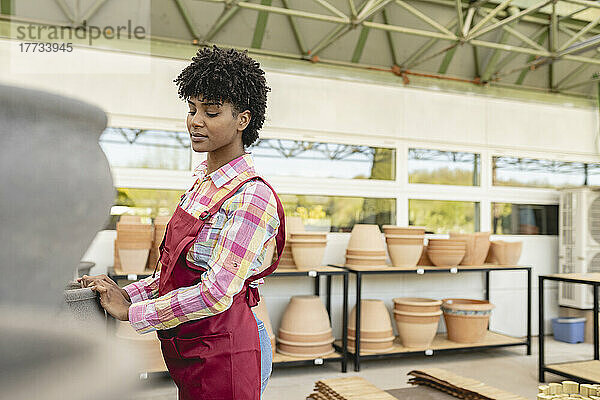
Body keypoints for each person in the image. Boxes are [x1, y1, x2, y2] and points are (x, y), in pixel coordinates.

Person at [80, 45, 286, 400]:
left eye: (212, 112)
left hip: (227, 354)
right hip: (191, 350)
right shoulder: (200, 185)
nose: (195, 120)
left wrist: (133, 312)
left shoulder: (250, 196)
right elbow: (173, 274)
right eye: (192, 109)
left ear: (243, 120)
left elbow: (215, 292)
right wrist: (119, 292)